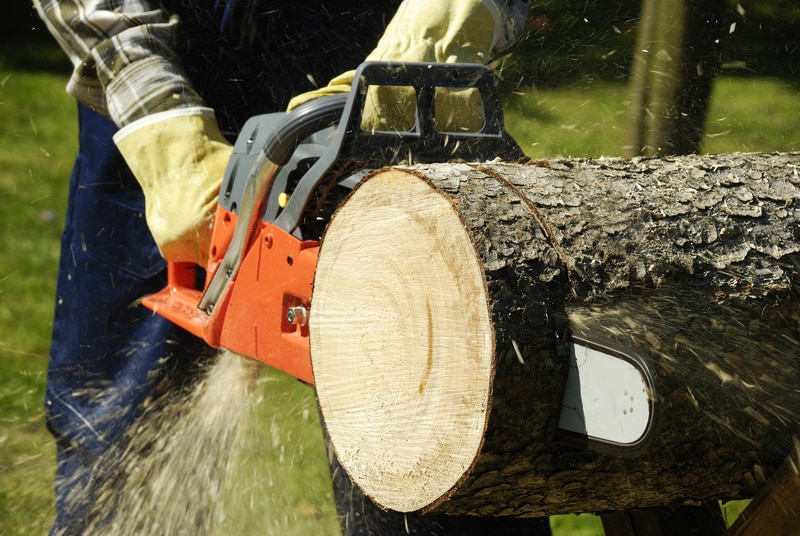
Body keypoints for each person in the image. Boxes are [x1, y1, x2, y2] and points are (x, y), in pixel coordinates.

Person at [34, 1, 550, 534]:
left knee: (439, 450)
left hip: (378, 77)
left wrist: (422, 51)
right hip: (157, 91)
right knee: (123, 447)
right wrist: (164, 137)